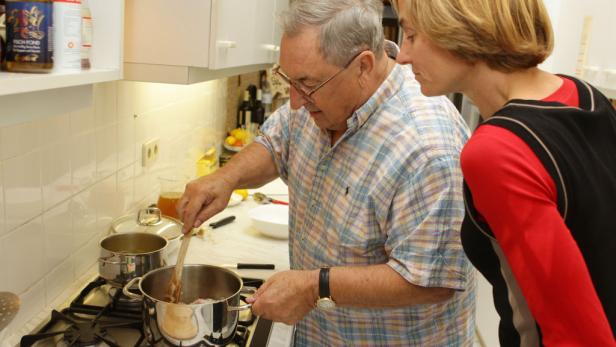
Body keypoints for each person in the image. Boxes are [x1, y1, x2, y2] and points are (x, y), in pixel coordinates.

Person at [178, 0, 475, 345]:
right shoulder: (319, 93)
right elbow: (277, 141)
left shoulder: (427, 148)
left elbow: (431, 280)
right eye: (288, 79)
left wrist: (312, 287)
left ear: (363, 65)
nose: (295, 101)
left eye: (306, 83)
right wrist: (225, 178)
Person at [393, 0, 616, 346]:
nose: (402, 57)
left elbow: (576, 335)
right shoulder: (584, 96)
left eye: (410, 35)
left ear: (459, 26)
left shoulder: (496, 151)